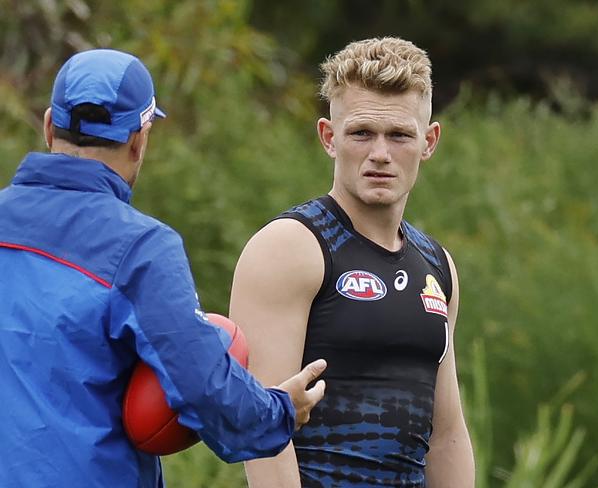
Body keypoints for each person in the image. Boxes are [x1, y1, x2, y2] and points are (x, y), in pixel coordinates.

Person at [0, 48, 326, 487]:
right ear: (140, 138)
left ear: (47, 126)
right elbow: (204, 387)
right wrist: (279, 410)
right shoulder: (141, 248)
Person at [230, 37, 474, 487]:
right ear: (329, 137)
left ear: (429, 141)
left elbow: (447, 435)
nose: (379, 153)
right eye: (361, 133)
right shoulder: (290, 247)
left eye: (399, 135)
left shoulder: (437, 266)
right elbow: (262, 430)